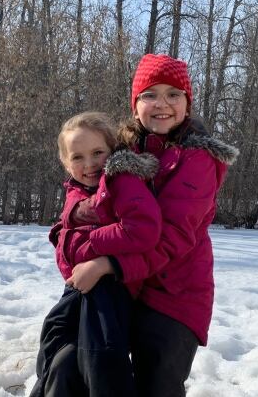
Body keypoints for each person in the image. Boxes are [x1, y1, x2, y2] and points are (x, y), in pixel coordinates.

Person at [71, 54, 239, 396]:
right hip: (129, 288)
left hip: (176, 296)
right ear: (135, 106)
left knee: (157, 385)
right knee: (89, 369)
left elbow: (169, 238)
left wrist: (107, 263)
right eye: (150, 94)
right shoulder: (122, 152)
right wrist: (73, 221)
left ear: (187, 104)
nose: (162, 104)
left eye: (173, 94)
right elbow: (85, 191)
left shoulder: (198, 160)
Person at [30, 111, 164, 397]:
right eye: (77, 157)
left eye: (97, 152)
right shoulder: (76, 190)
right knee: (56, 351)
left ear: (112, 151)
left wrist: (86, 244)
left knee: (101, 358)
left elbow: (143, 230)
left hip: (110, 288)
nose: (89, 164)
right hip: (78, 288)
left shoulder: (121, 181)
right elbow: (66, 237)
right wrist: (64, 237)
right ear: (65, 163)